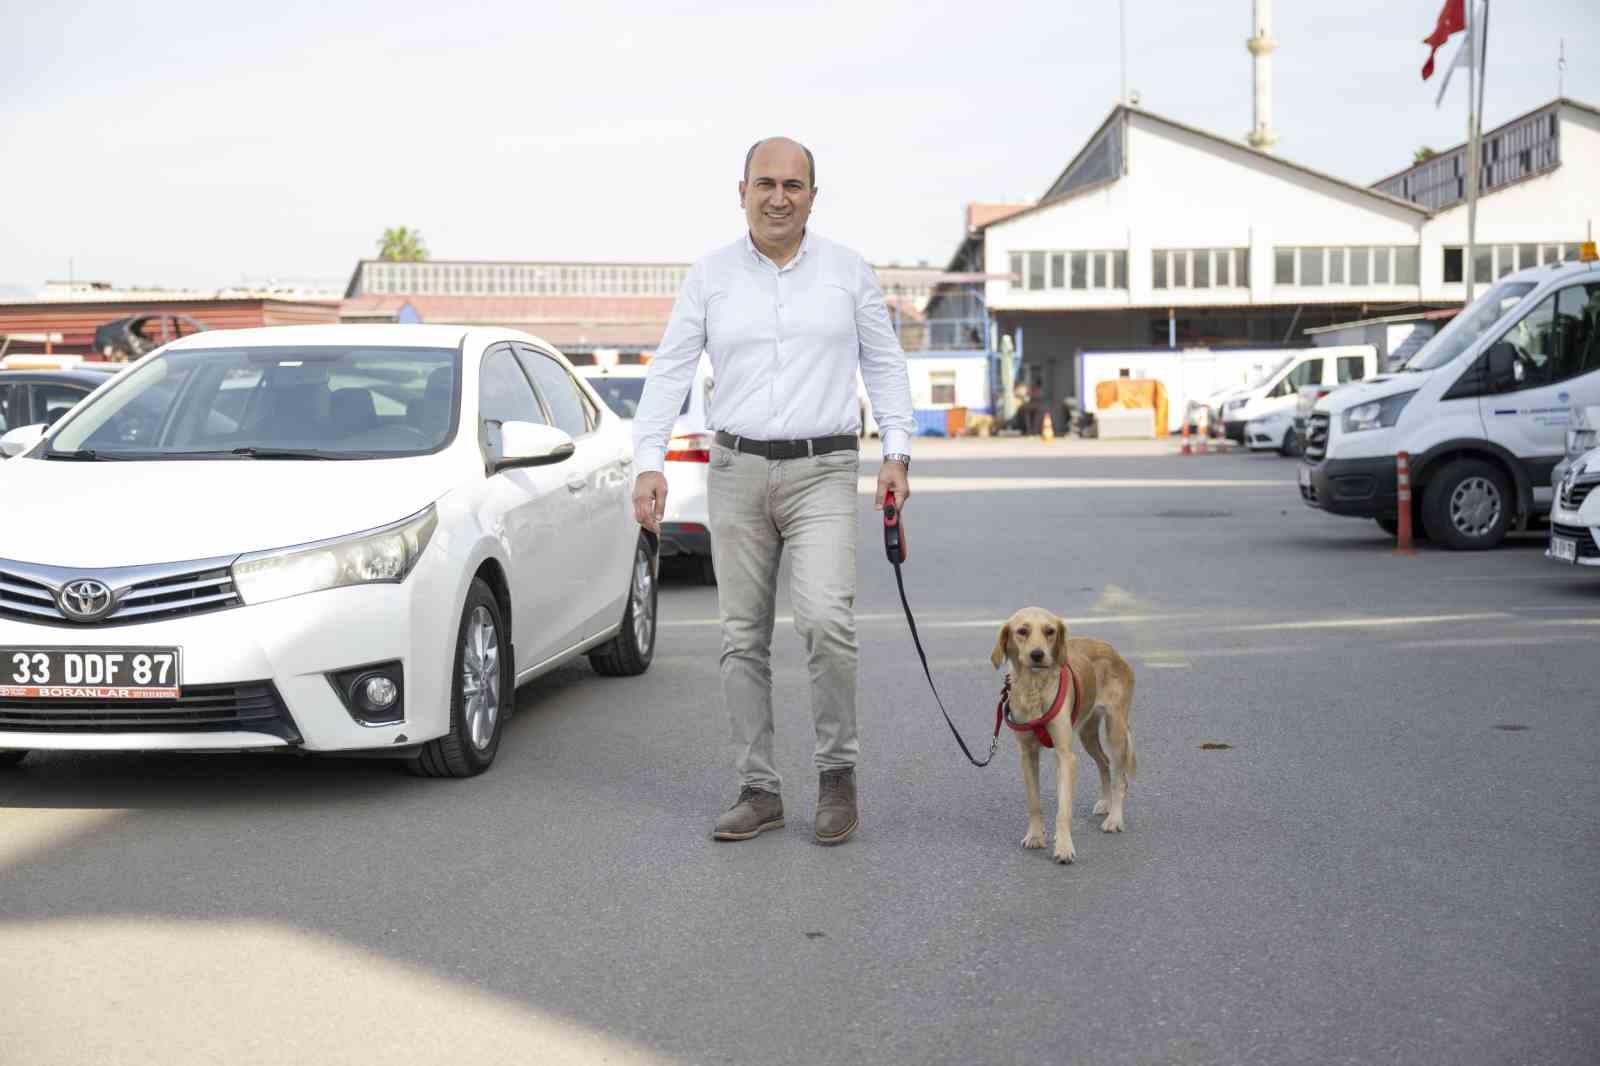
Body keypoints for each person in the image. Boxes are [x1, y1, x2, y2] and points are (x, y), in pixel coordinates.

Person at [630, 136, 914, 846]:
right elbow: (669, 371)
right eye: (766, 183)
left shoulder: (848, 273)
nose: (779, 197)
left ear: (813, 196)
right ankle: (759, 789)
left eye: (793, 185)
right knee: (741, 639)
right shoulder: (711, 276)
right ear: (742, 191)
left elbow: (885, 366)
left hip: (822, 468)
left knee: (825, 622)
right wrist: (649, 460)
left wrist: (897, 453)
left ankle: (837, 775)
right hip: (736, 470)